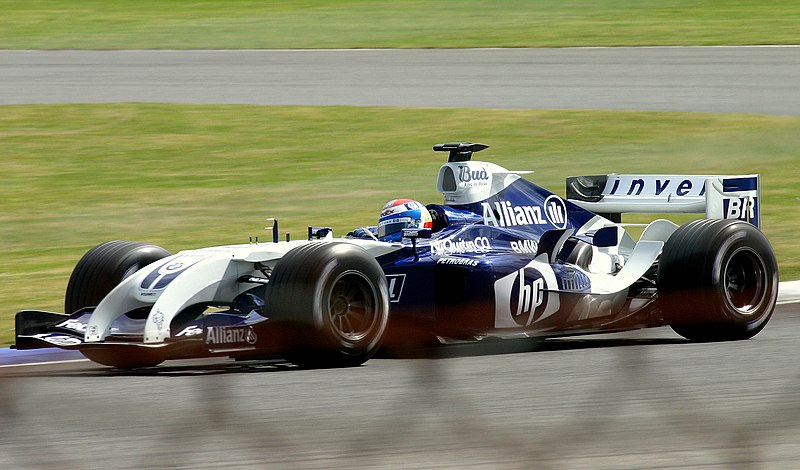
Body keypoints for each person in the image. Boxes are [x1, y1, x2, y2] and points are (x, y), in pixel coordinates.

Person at [349, 199, 432, 242]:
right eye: (386, 228)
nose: (388, 236)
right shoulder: (371, 235)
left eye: (396, 227)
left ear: (417, 223)